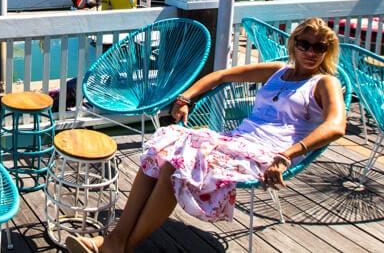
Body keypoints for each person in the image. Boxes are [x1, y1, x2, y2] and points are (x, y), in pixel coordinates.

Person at [66, 17, 347, 253]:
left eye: (319, 47)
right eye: (305, 44)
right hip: (236, 141)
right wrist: (186, 97)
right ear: (294, 44)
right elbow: (222, 76)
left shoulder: (323, 83)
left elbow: (336, 126)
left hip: (269, 155)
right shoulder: (278, 72)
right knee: (162, 149)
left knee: (178, 165)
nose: (311, 52)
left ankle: (117, 245)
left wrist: (287, 155)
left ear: (328, 50)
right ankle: (117, 242)